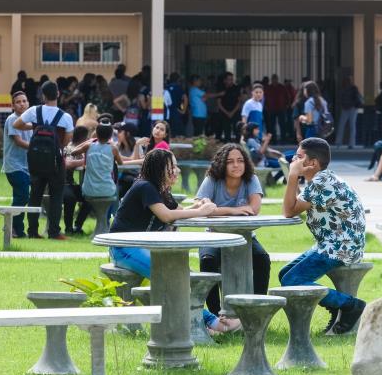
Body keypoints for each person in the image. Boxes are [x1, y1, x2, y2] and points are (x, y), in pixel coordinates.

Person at [108, 149, 238, 333]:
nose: (177, 170)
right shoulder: (145, 187)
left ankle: (201, 323)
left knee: (184, 274)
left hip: (142, 248)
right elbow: (167, 216)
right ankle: (212, 323)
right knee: (173, 279)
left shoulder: (161, 191)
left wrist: (199, 206)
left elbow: (180, 212)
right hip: (123, 248)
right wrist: (200, 211)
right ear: (160, 168)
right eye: (172, 166)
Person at [279, 137, 367, 335]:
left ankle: (351, 305)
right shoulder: (322, 179)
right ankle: (334, 305)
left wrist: (292, 176)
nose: (293, 160)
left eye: (298, 157)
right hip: (332, 243)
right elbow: (294, 205)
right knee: (285, 274)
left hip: (341, 247)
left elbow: (288, 211)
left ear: (312, 163)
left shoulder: (321, 183)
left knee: (291, 281)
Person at [196, 143, 267, 316]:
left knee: (262, 259)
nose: (236, 165)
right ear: (222, 163)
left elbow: (254, 209)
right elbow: (201, 206)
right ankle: (216, 315)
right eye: (230, 161)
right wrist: (234, 210)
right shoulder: (212, 179)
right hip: (214, 235)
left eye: (240, 160)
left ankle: (256, 311)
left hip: (245, 237)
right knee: (207, 260)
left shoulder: (251, 179)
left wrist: (216, 210)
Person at [14, 81, 75, 240]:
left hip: (36, 160)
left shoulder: (34, 111)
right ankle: (54, 232)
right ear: (58, 94)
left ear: (43, 96)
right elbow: (67, 140)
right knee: (56, 196)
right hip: (56, 161)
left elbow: (17, 124)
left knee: (35, 195)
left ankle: (33, 231)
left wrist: (34, 128)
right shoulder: (65, 117)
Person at [2, 91, 32, 238]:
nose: (22, 104)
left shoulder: (30, 120)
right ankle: (12, 226)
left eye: (24, 101)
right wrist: (37, 148)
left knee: (19, 197)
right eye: (18, 102)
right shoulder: (12, 119)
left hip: (27, 166)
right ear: (13, 106)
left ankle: (15, 229)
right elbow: (19, 142)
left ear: (28, 103)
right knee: (23, 196)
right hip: (14, 166)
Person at [73, 122, 123, 200]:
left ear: (96, 133)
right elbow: (120, 163)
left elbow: (73, 152)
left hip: (88, 190)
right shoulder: (113, 148)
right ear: (110, 135)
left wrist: (88, 141)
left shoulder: (88, 146)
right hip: (108, 190)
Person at [63, 126, 92, 235]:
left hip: (75, 183)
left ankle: (78, 226)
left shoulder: (85, 148)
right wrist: (86, 160)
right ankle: (68, 228)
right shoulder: (69, 147)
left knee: (90, 198)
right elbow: (68, 164)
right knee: (70, 198)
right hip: (64, 183)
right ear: (83, 137)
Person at [335, 75, 363, 149]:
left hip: (351, 108)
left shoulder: (353, 88)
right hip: (347, 108)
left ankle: (350, 143)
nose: (347, 82)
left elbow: (356, 98)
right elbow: (340, 98)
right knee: (344, 125)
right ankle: (340, 142)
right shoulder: (345, 89)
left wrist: (345, 104)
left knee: (350, 125)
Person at [216, 72, 241, 142]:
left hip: (235, 112)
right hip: (224, 112)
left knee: (237, 130)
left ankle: (238, 144)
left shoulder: (236, 88)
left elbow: (239, 102)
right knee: (226, 131)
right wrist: (227, 113)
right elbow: (218, 103)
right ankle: (227, 144)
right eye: (229, 79)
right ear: (225, 80)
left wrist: (232, 112)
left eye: (232, 79)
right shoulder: (221, 89)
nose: (231, 81)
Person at [264, 74, 289, 143]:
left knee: (282, 124)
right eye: (273, 79)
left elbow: (287, 96)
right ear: (271, 80)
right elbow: (265, 98)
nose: (274, 80)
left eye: (275, 79)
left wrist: (287, 105)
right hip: (271, 109)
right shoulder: (268, 88)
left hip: (281, 108)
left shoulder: (282, 87)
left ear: (277, 79)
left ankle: (283, 138)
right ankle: (273, 139)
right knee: (272, 125)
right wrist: (266, 106)